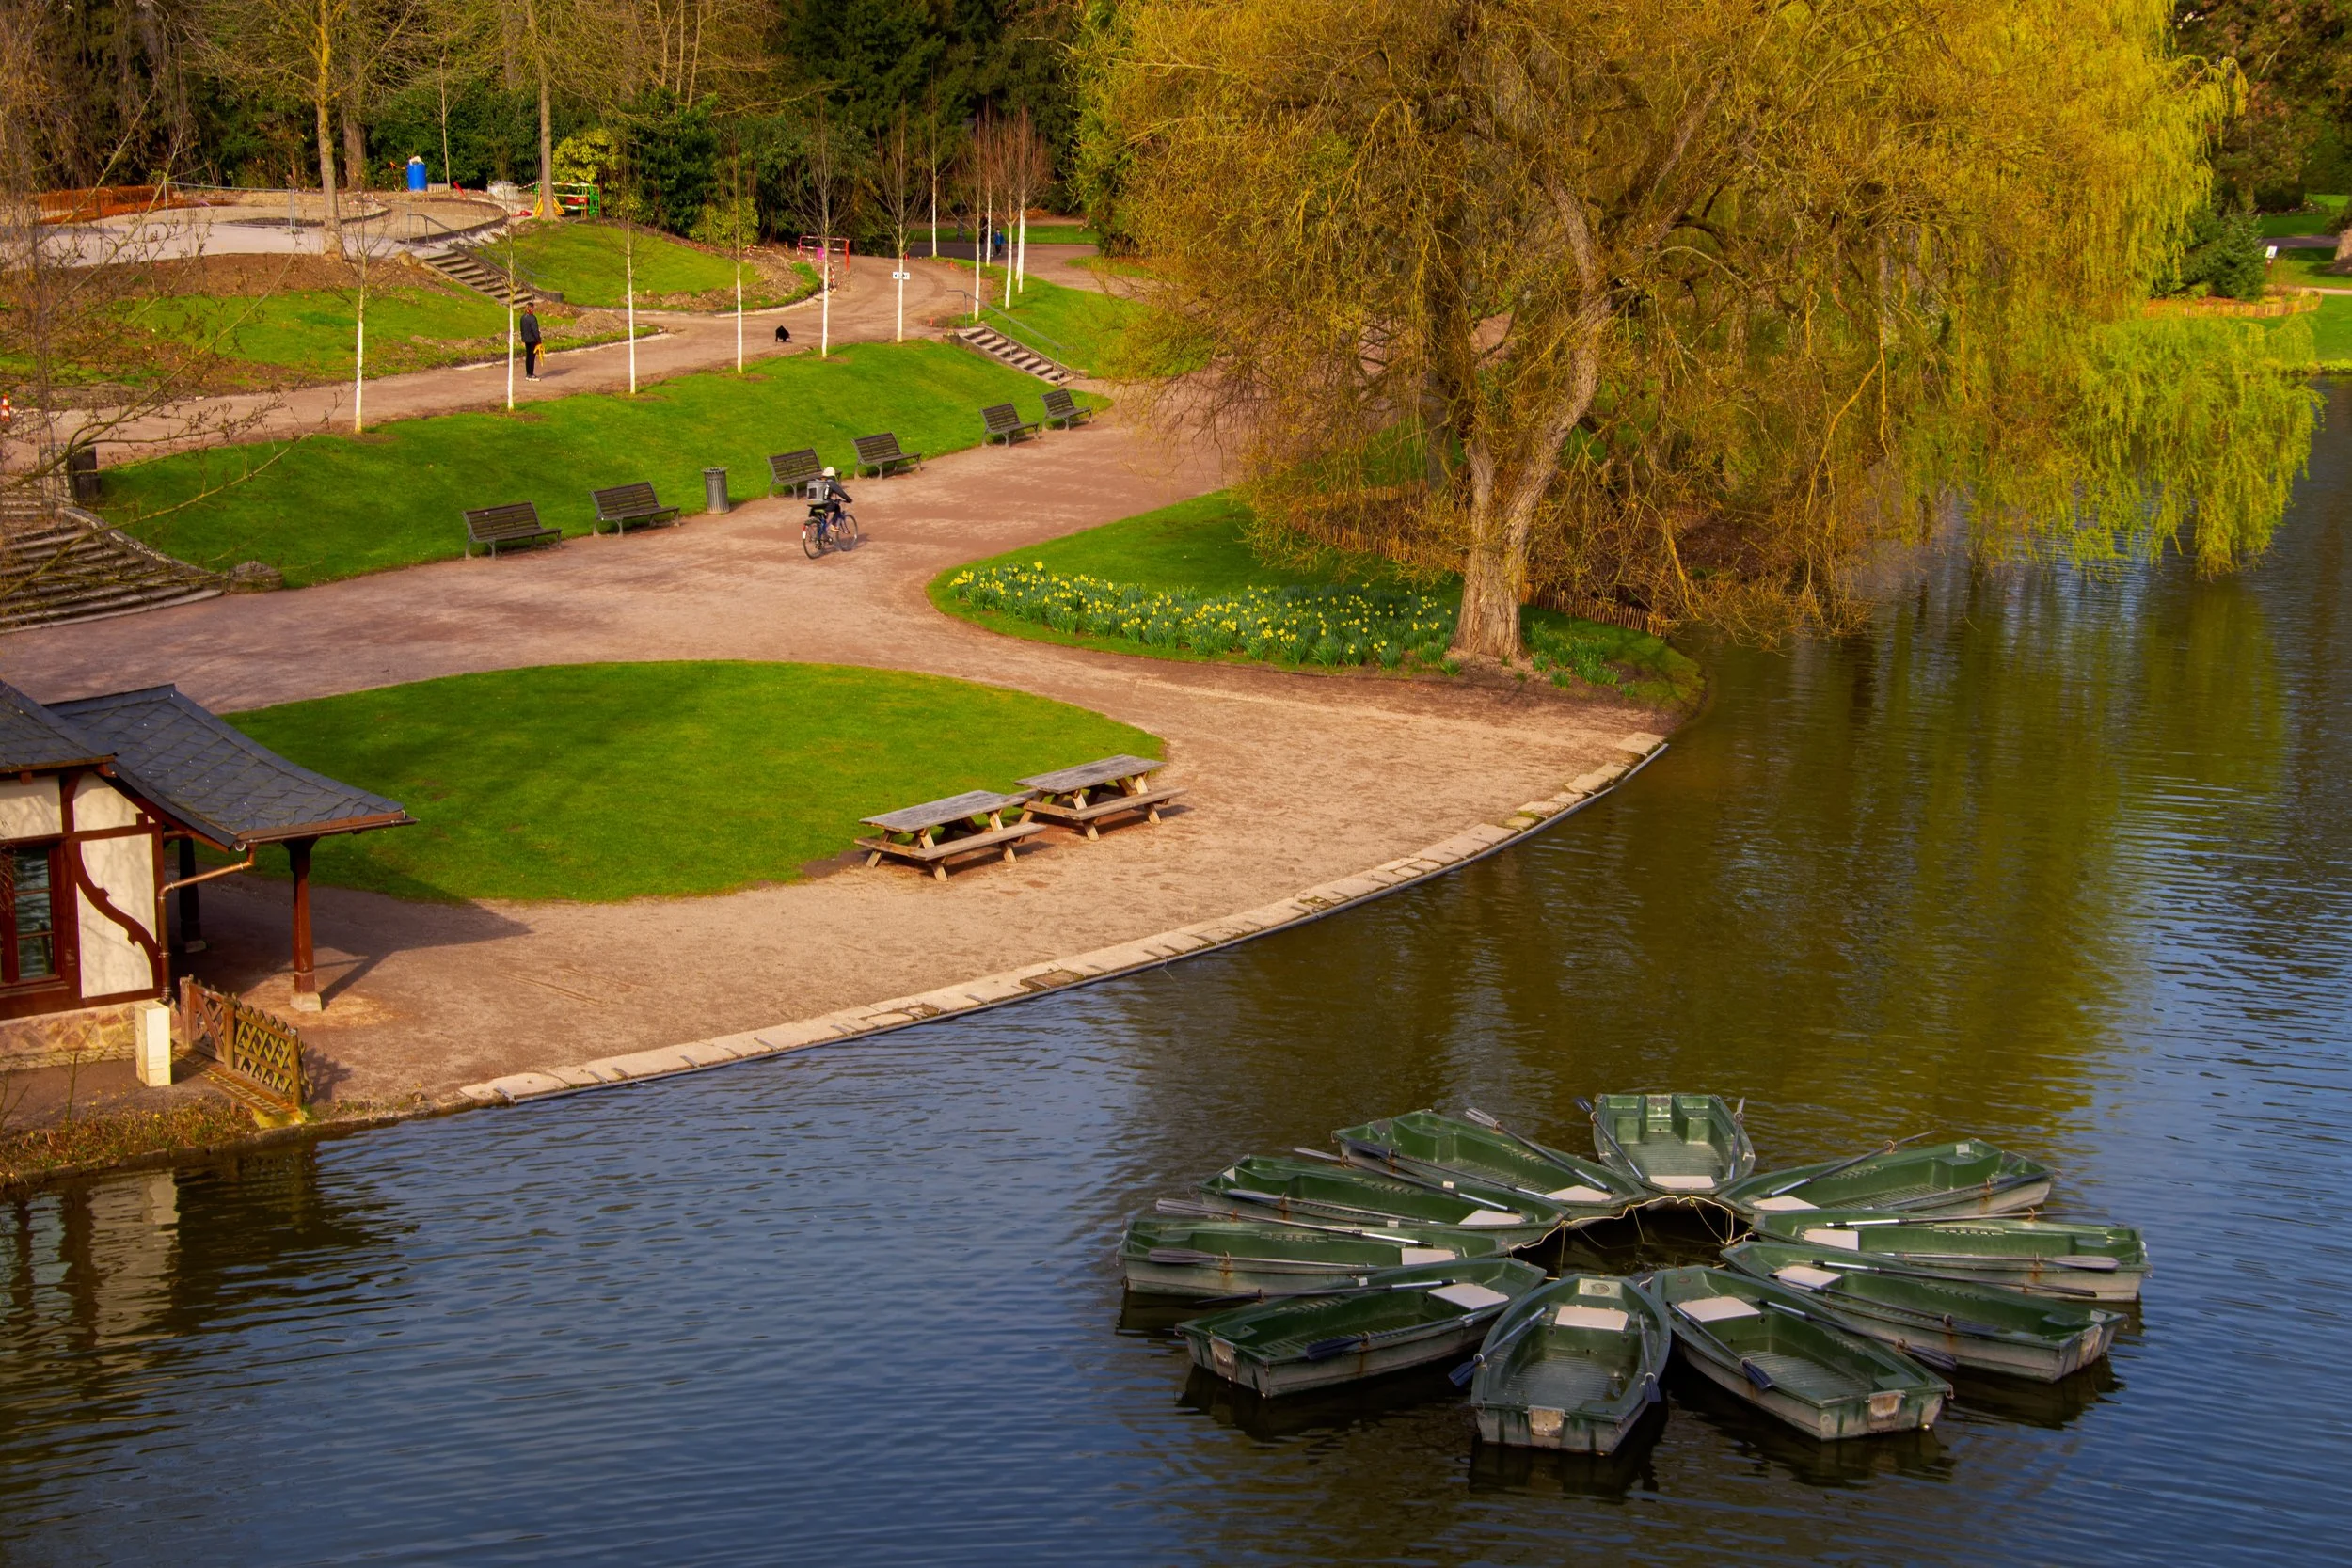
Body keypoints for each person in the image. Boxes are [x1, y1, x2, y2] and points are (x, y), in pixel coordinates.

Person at [812, 466, 852, 537]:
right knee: (837, 507)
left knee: (820, 519)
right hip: (824, 503)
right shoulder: (831, 482)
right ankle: (833, 525)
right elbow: (841, 493)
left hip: (814, 503)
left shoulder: (820, 481)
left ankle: (818, 539)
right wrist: (848, 499)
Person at [518, 306, 543, 379]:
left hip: (526, 339)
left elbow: (522, 329)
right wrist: (539, 341)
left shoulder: (522, 317)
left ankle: (528, 373)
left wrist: (523, 339)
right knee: (532, 357)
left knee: (528, 356)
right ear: (531, 309)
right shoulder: (533, 318)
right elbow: (535, 330)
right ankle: (531, 373)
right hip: (533, 340)